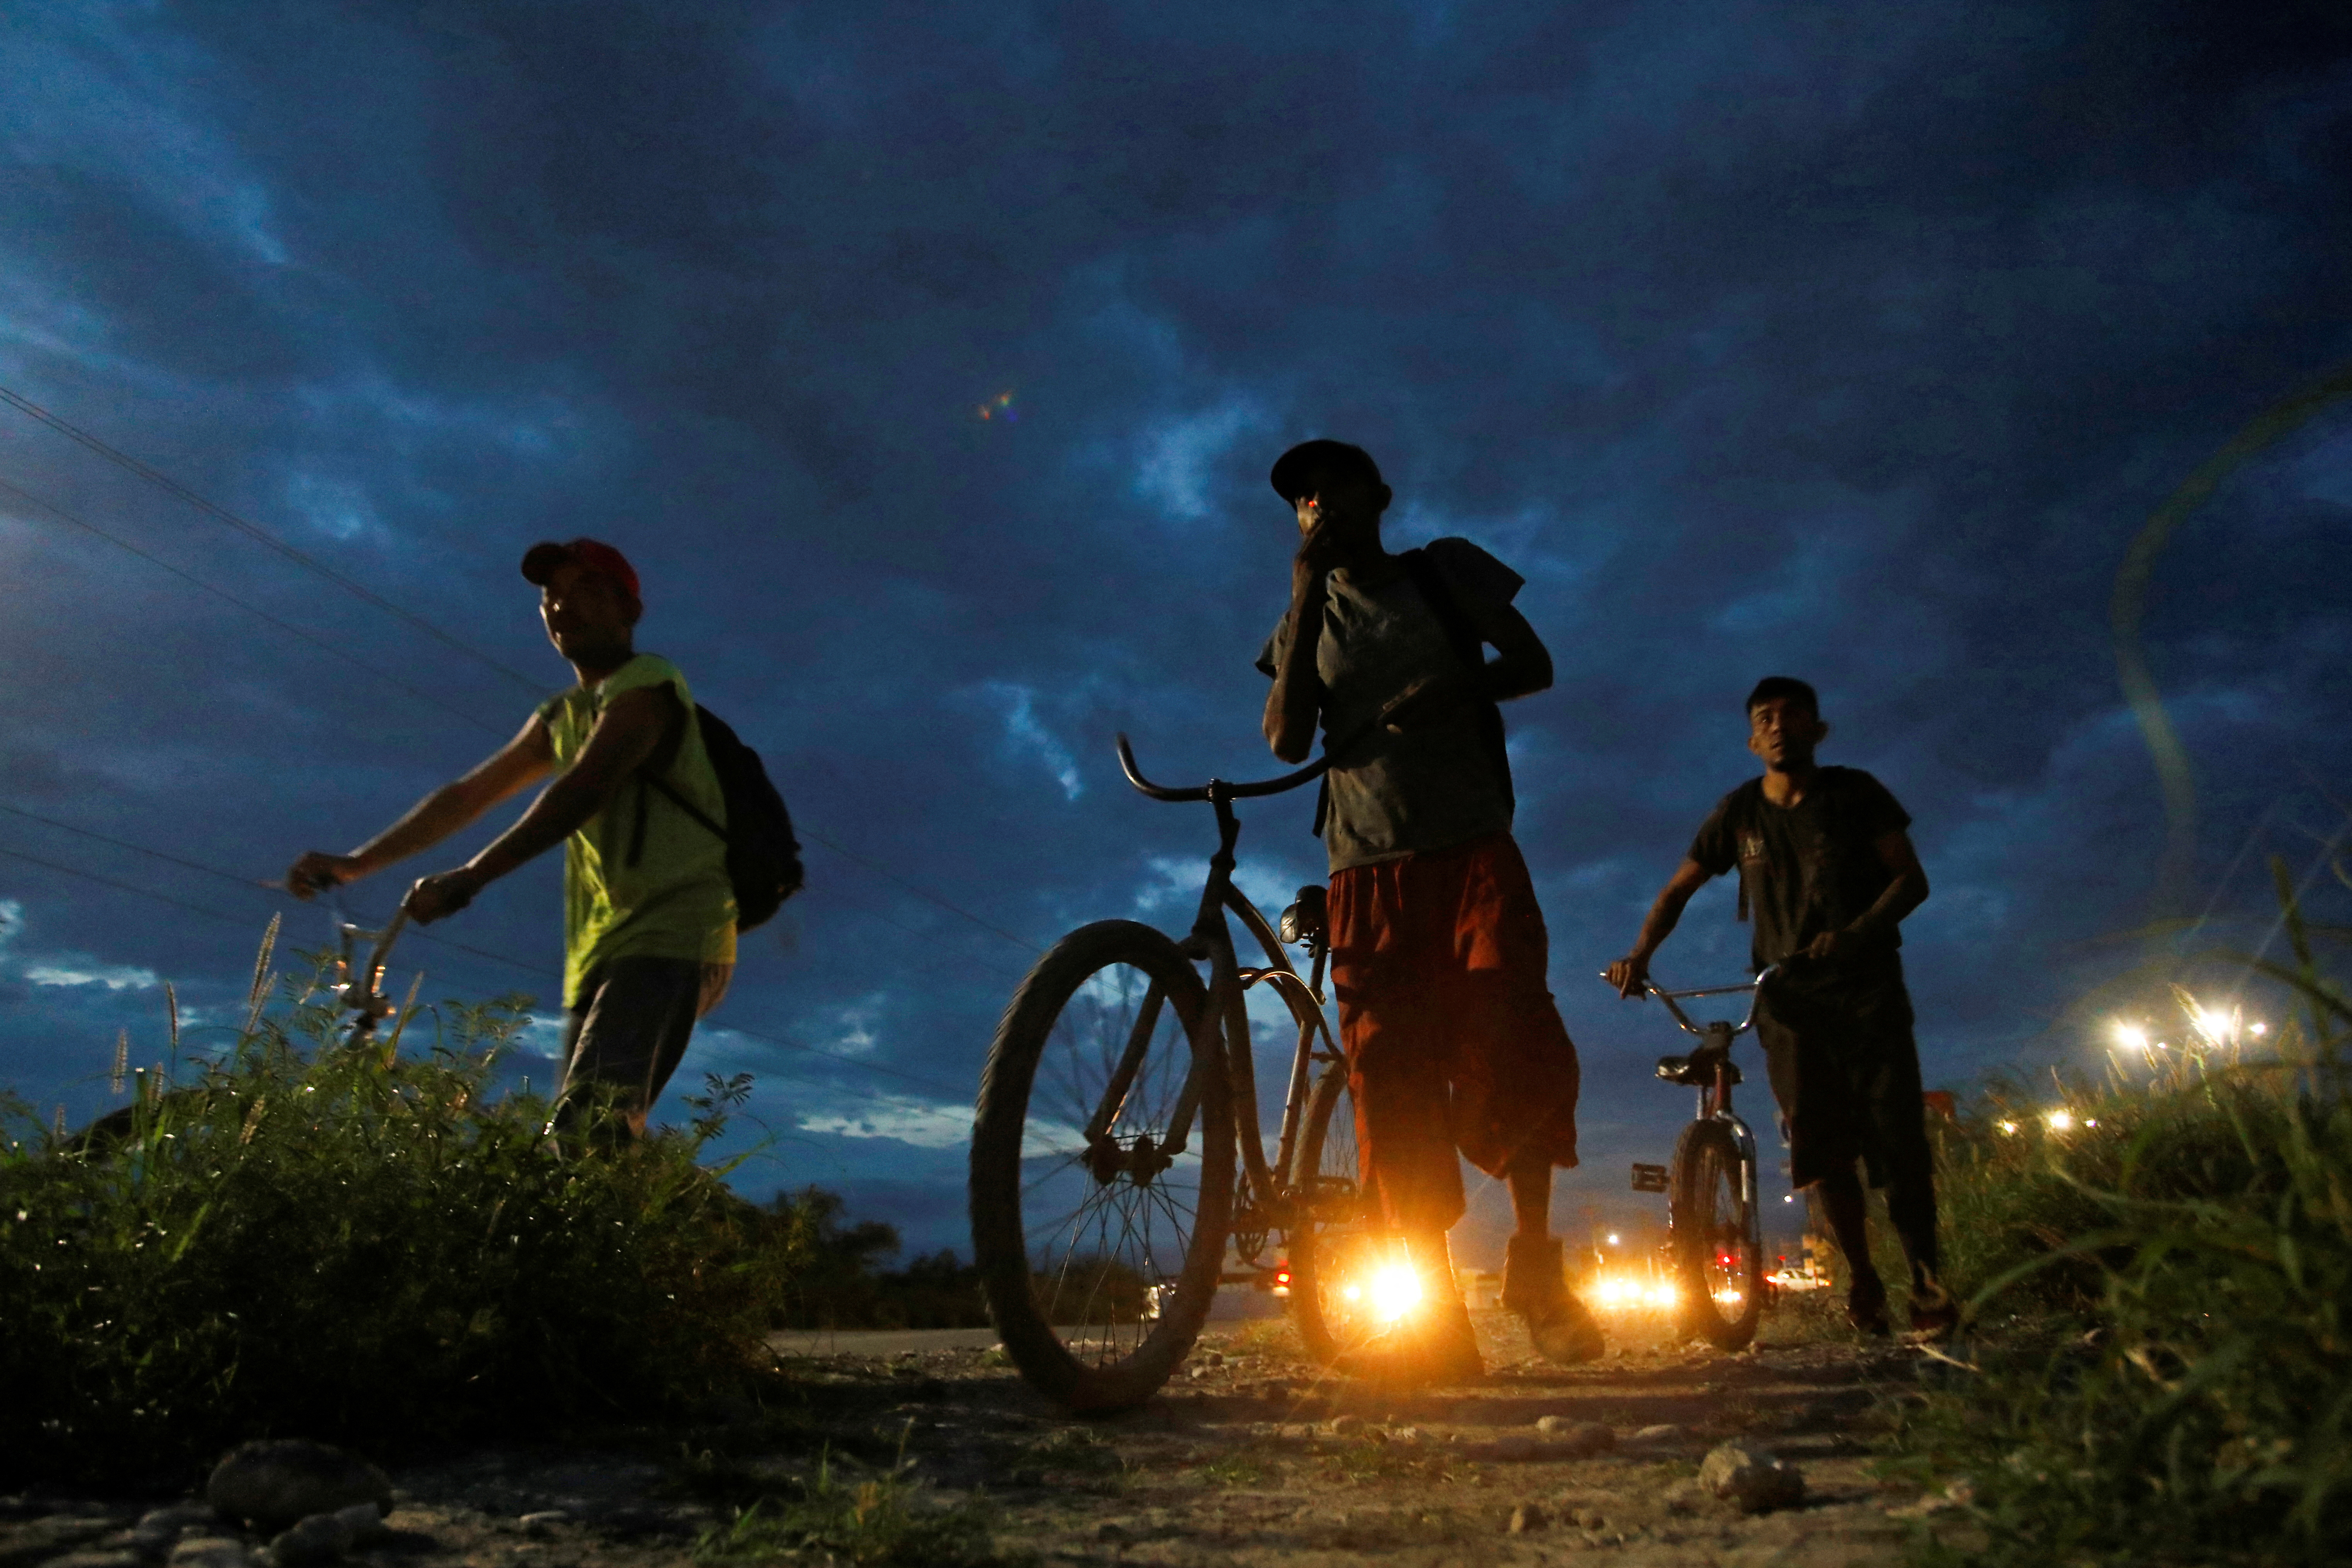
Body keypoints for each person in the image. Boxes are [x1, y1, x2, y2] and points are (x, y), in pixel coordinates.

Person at [1259, 438, 1601, 1381]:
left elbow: (1534, 663)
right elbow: (1286, 738)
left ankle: (1533, 1264)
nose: (1318, 503)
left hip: (1472, 849)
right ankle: (1438, 1312)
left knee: (1511, 1037)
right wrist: (1300, 591)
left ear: (1382, 496)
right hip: (1362, 870)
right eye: (1301, 498)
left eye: (1334, 487)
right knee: (1389, 1086)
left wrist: (1458, 685)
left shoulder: (1445, 569)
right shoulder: (1306, 613)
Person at [286, 539, 737, 1140]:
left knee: (588, 1130)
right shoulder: (559, 715)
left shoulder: (648, 682)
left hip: (673, 930)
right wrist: (357, 863)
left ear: (630, 611)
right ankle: (658, 1226)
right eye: (551, 596)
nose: (562, 605)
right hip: (600, 949)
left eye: (586, 590)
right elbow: (465, 797)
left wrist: (471, 877)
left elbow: (585, 787)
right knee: (584, 1143)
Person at [1604, 677, 1956, 1341]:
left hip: (1867, 994)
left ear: (1817, 730)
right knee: (1822, 1153)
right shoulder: (1739, 812)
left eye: (1793, 715)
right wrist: (1640, 952)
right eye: (1764, 717)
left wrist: (1853, 935)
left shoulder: (1855, 793)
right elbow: (1680, 887)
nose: (1778, 725)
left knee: (1896, 1144)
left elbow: (1911, 879)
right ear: (1750, 736)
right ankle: (1864, 1278)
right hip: (1787, 1002)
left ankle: (1927, 1285)